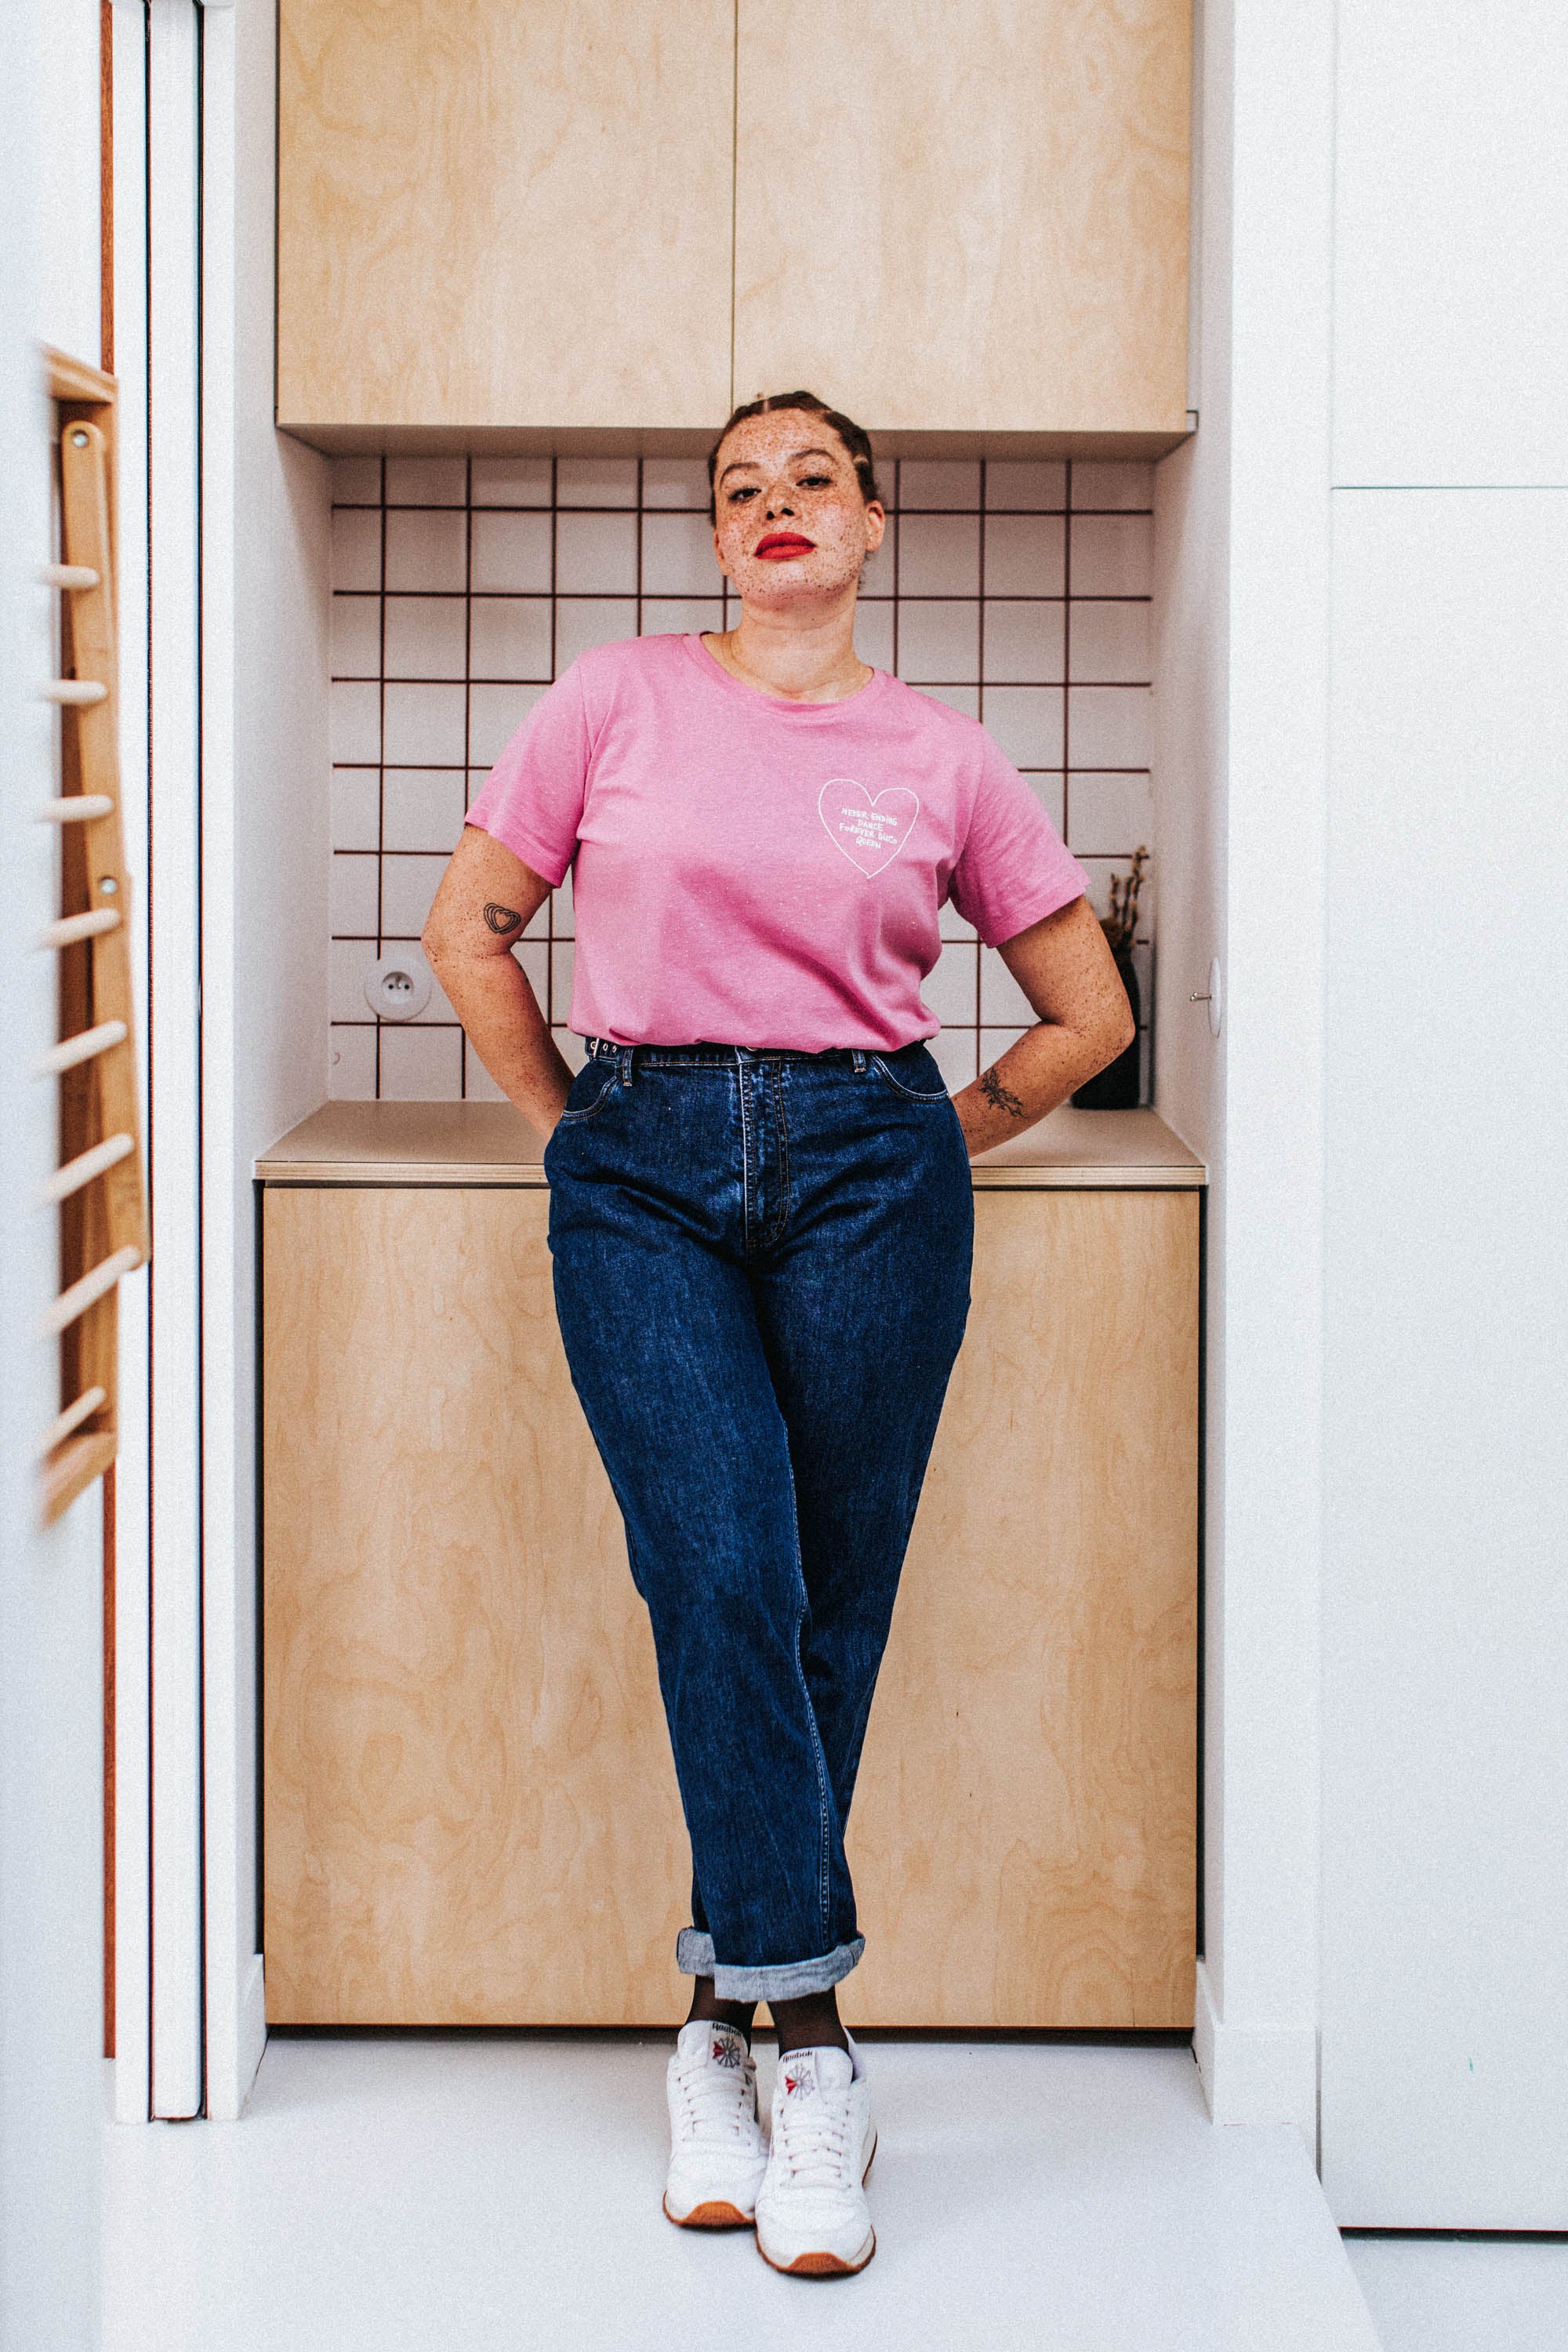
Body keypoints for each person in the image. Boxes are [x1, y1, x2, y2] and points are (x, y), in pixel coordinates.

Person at [423, 391, 1133, 2276]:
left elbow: (1087, 1013)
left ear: (872, 522)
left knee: (829, 1595)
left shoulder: (944, 757)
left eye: (814, 477)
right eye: (741, 488)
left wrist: (939, 1133)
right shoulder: (614, 700)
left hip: (869, 1174)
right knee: (720, 1565)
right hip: (642, 1168)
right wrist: (574, 1129)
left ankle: (713, 2034)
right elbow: (470, 926)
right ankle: (809, 2034)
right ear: (719, 540)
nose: (776, 504)